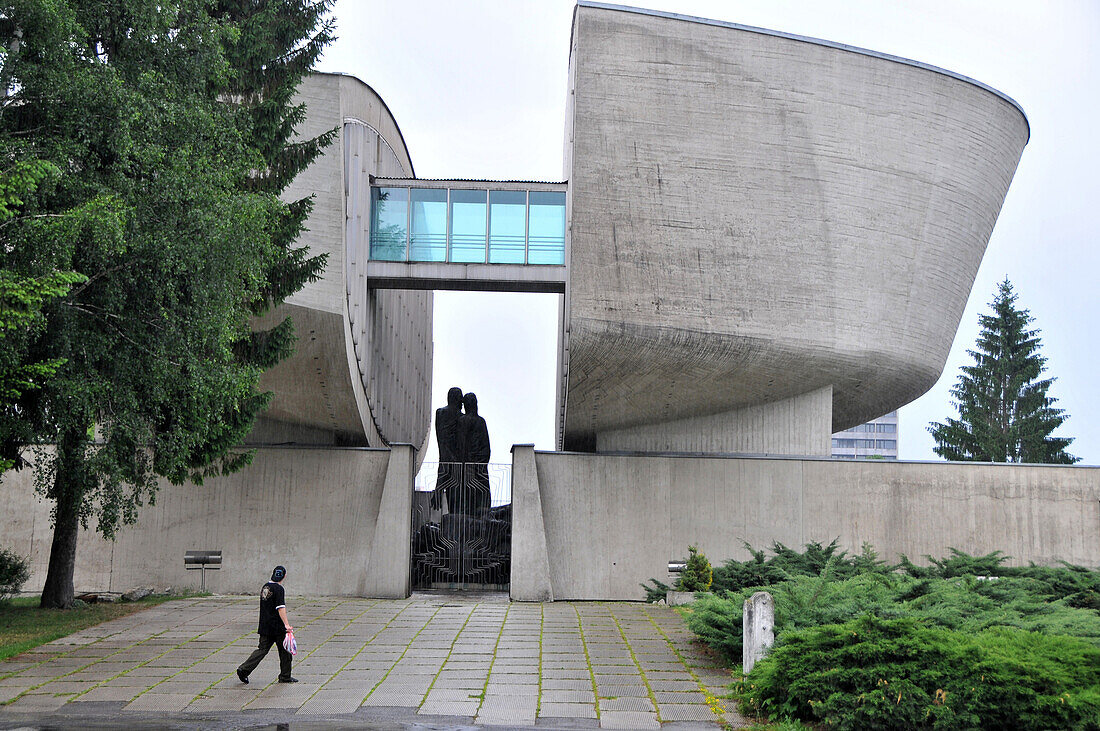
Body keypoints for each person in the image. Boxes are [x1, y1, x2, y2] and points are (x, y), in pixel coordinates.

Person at [237, 565, 297, 684]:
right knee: (285, 651)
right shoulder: (279, 589)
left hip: (265, 625)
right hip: (278, 627)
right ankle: (285, 676)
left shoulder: (266, 586)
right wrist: (287, 625)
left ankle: (244, 669)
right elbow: (281, 608)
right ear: (284, 576)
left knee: (261, 650)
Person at [457, 392, 491, 515]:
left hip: (472, 464)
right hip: (474, 464)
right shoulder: (478, 421)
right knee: (476, 494)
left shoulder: (466, 421)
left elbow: (461, 445)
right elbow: (486, 447)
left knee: (473, 494)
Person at [432, 386, 464, 511]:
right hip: (457, 463)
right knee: (456, 501)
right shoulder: (462, 418)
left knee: (451, 498)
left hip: (444, 459)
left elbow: (441, 441)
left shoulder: (440, 413)